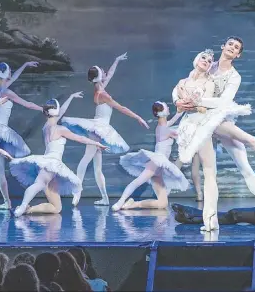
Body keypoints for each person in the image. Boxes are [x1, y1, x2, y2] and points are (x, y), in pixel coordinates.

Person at [175, 39, 255, 232]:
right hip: (200, 121)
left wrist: (196, 101)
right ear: (223, 47)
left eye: (236, 48)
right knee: (210, 172)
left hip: (218, 118)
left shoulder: (234, 76)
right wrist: (179, 101)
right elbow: (184, 86)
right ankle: (210, 220)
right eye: (230, 44)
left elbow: (223, 101)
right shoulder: (208, 65)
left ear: (238, 55)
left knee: (246, 164)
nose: (231, 48)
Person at [61, 53, 149, 206]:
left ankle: (105, 198)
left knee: (97, 167)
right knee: (86, 158)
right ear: (99, 77)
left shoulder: (100, 88)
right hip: (97, 129)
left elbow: (110, 75)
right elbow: (121, 108)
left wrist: (116, 60)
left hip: (100, 128)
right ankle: (77, 192)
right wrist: (138, 117)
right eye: (102, 70)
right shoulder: (102, 93)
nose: (105, 71)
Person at [11, 94, 108, 217]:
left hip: (49, 165)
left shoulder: (45, 127)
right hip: (51, 163)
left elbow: (60, 111)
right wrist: (96, 143)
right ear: (54, 111)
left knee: (57, 208)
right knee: (39, 183)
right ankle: (23, 206)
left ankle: (27, 209)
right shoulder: (60, 129)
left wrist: (71, 97)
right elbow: (80, 138)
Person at [0, 61, 42, 209]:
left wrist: (25, 65)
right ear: (1, 73)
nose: (10, 73)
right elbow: (27, 104)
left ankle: (7, 202)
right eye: (8, 70)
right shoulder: (6, 92)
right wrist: (44, 109)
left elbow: (13, 78)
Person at [112, 102, 189, 211]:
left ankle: (133, 204)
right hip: (155, 163)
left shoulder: (161, 126)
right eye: (166, 107)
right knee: (138, 182)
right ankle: (120, 202)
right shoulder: (166, 130)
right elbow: (182, 137)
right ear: (162, 112)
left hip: (160, 167)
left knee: (163, 204)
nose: (168, 108)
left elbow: (169, 123)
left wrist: (179, 113)